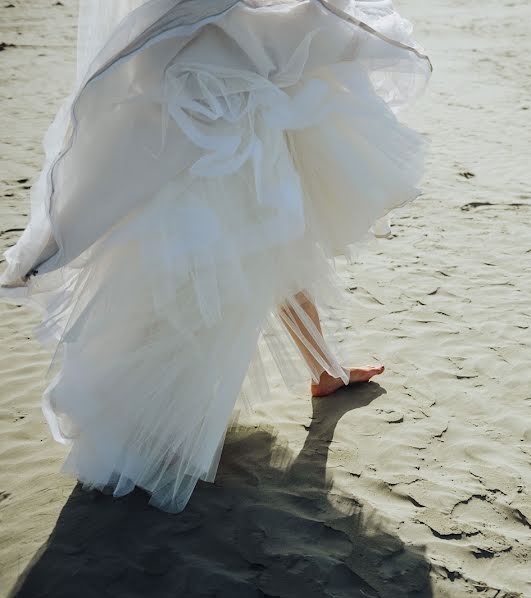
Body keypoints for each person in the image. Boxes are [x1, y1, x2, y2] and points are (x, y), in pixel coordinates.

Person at [0, 0, 430, 513]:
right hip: (206, 169)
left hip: (237, 155)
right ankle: (157, 426)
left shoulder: (197, 15)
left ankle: (323, 370)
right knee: (204, 288)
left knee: (269, 258)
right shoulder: (172, 16)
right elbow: (127, 92)